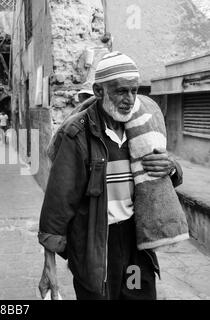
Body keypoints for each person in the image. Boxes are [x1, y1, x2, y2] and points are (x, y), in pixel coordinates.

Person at [38, 52, 184, 300]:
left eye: (134, 91)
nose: (129, 99)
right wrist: (49, 265)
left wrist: (171, 167)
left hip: (135, 244)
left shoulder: (142, 128)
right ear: (98, 91)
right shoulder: (78, 134)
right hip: (96, 246)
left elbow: (164, 177)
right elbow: (58, 203)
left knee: (138, 293)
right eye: (120, 91)